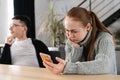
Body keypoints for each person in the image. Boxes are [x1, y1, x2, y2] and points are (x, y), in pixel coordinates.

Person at [43, 7, 117, 74]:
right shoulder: (70, 41)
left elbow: (104, 66)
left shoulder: (104, 38)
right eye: (67, 30)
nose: (70, 35)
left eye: (74, 31)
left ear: (87, 27)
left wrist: (67, 67)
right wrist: (76, 49)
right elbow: (69, 71)